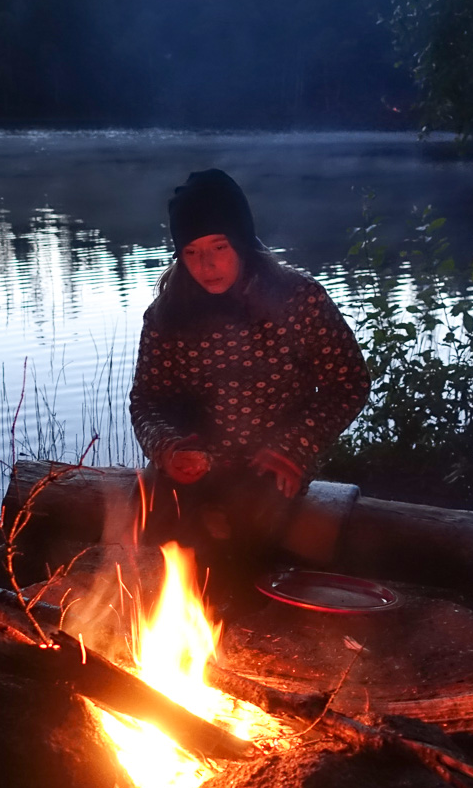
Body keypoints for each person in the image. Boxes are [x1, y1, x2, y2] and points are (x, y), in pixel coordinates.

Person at [129, 169, 371, 607]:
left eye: (219, 248)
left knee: (247, 528)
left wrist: (296, 444)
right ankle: (175, 627)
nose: (207, 265)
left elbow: (348, 383)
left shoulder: (299, 301)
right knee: (155, 513)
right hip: (195, 460)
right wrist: (168, 449)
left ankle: (243, 619)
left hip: (273, 459)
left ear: (242, 241)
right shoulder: (168, 317)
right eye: (192, 252)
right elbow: (147, 400)